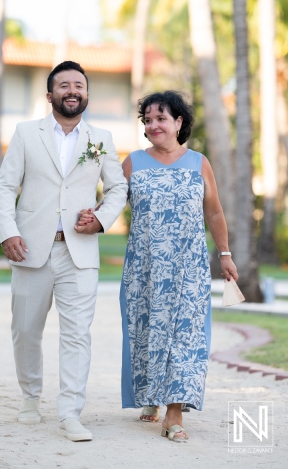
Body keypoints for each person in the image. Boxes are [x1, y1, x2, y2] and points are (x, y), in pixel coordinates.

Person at [0, 60, 128, 442]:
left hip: (80, 253)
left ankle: (70, 412)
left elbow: (117, 189)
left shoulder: (100, 137)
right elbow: (6, 188)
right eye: (64, 85)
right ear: (50, 94)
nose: (73, 90)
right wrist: (8, 232)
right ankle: (29, 396)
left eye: (79, 85)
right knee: (25, 330)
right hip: (31, 250)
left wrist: (101, 220)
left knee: (77, 335)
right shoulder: (25, 133)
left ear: (87, 93)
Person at [120, 91, 238, 443]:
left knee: (185, 338)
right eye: (148, 120)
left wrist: (225, 254)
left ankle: (173, 412)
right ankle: (152, 398)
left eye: (161, 118)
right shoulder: (132, 163)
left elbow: (213, 211)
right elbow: (109, 204)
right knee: (147, 335)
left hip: (189, 267)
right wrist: (89, 217)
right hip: (144, 268)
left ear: (179, 122)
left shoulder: (198, 162)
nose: (153, 125)